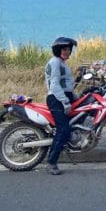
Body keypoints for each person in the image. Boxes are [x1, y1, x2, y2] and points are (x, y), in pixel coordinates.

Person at [44, 36, 77, 175]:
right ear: (57, 50)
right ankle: (51, 162)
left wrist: (75, 97)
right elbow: (55, 85)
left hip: (63, 96)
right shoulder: (55, 63)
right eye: (64, 49)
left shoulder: (62, 63)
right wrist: (65, 101)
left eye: (69, 49)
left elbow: (67, 84)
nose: (67, 51)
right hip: (56, 98)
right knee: (63, 129)